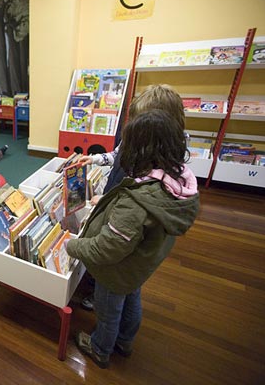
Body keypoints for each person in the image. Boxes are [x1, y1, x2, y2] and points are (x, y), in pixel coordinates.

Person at [66, 109, 200, 369]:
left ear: (138, 149)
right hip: (138, 266)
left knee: (108, 311)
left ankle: (101, 348)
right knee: (131, 298)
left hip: (115, 271)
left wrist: (73, 245)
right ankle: (125, 342)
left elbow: (107, 249)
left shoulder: (137, 201)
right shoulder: (177, 181)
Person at [77, 84, 186, 311]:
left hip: (122, 209)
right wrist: (94, 160)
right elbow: (116, 154)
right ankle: (94, 281)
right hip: (115, 197)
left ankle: (100, 293)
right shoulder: (135, 137)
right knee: (105, 239)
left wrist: (109, 202)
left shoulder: (158, 165)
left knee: (113, 252)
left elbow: (139, 200)